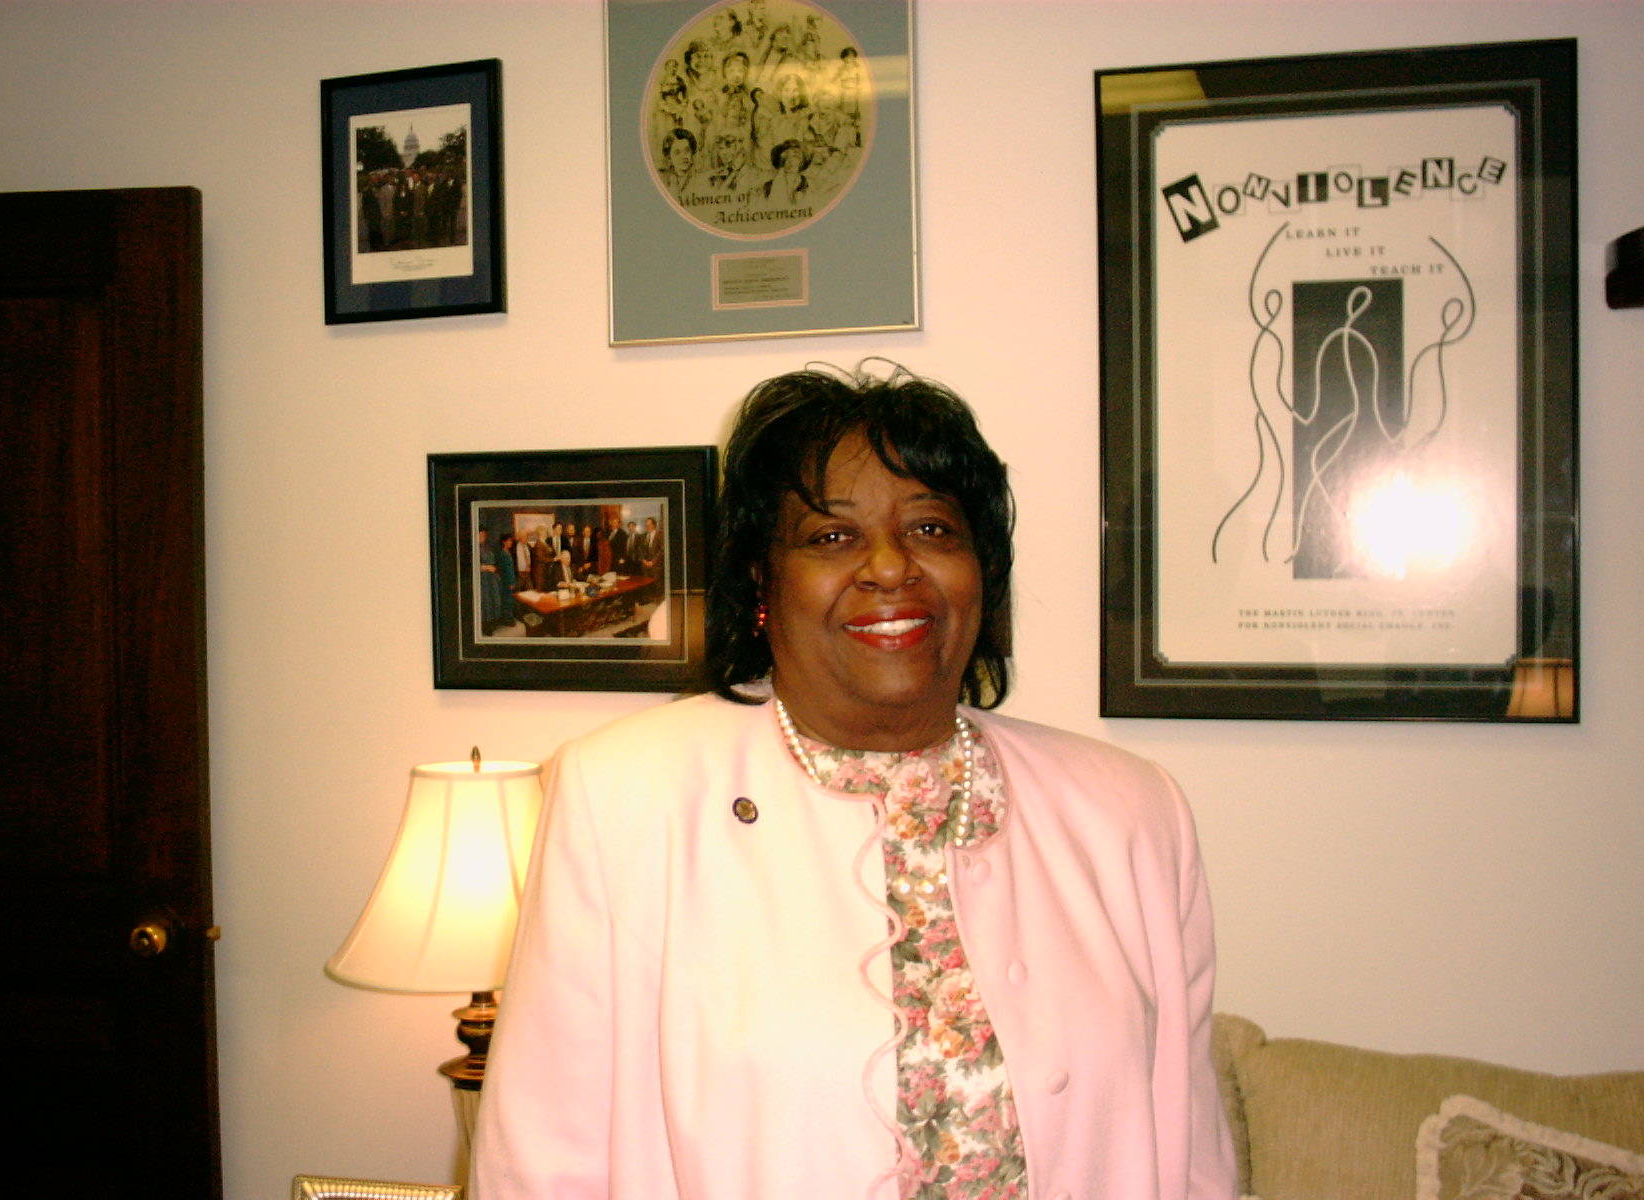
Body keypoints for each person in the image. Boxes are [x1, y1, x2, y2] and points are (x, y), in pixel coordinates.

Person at [470, 362, 1234, 1200]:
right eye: (831, 537)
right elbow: (543, 1165)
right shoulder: (620, 798)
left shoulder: (1131, 813)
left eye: (932, 528)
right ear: (761, 581)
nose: (890, 567)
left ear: (982, 571)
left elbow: (1191, 1155)